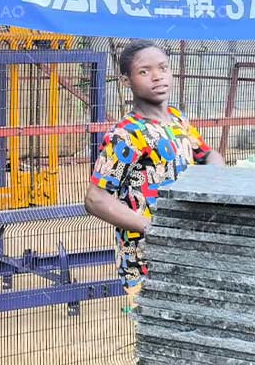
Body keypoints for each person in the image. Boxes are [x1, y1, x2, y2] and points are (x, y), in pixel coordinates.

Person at [85, 39, 225, 299]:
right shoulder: (126, 135)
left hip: (188, 250)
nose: (157, 77)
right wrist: (152, 228)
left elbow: (207, 154)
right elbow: (95, 199)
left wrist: (214, 179)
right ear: (126, 80)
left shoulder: (177, 120)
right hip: (148, 261)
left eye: (163, 68)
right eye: (144, 71)